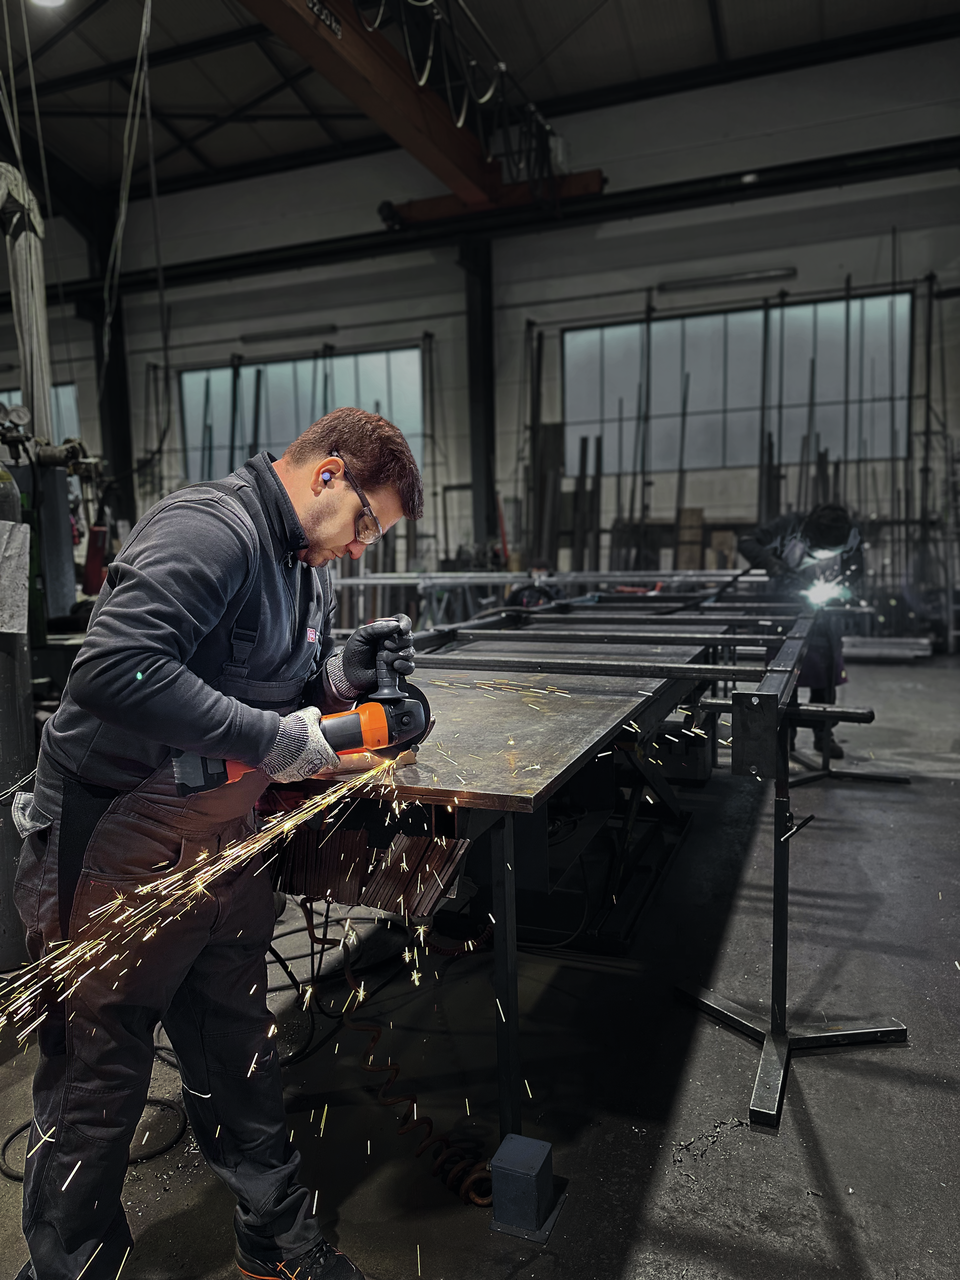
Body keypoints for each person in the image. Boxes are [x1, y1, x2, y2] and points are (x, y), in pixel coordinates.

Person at [11, 407, 423, 1280]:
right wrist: (276, 741)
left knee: (240, 1050)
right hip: (113, 844)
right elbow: (116, 670)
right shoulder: (209, 529)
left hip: (222, 842)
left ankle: (275, 1241)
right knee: (97, 1079)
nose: (360, 547)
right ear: (329, 474)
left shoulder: (305, 570)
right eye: (365, 523)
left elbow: (278, 686)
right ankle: (70, 1269)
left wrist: (340, 676)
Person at [739, 503, 863, 758]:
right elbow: (747, 542)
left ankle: (823, 734)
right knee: (785, 677)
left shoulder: (849, 534)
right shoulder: (789, 526)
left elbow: (855, 570)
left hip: (824, 617)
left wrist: (842, 590)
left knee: (826, 675)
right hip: (784, 611)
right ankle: (785, 736)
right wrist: (771, 563)